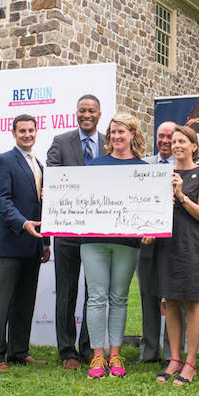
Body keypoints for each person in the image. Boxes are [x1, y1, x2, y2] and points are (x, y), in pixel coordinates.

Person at [82, 112, 147, 379]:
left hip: (127, 242)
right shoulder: (95, 166)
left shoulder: (145, 170)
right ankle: (98, 356)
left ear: (133, 134)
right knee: (96, 298)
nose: (117, 137)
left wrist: (150, 228)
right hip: (94, 241)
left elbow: (149, 207)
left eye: (122, 132)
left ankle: (116, 354)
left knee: (119, 298)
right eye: (113, 133)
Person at [0, 114, 51, 372]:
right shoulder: (4, 161)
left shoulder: (40, 165)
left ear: (36, 132)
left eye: (31, 131)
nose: (27, 135)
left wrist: (45, 242)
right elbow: (2, 200)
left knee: (25, 300)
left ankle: (19, 350)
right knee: (2, 301)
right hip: (10, 242)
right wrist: (23, 223)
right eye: (22, 131)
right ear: (13, 133)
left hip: (33, 245)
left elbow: (42, 206)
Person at [46, 94, 106, 369]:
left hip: (98, 231)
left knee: (94, 292)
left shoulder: (109, 143)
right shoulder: (61, 142)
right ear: (76, 113)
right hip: (68, 230)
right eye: (82, 110)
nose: (87, 115)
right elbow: (54, 178)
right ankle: (67, 351)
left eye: (91, 111)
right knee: (66, 292)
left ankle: (88, 347)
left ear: (99, 113)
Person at [154, 125, 199, 386]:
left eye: (182, 141)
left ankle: (191, 362)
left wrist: (180, 196)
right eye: (173, 141)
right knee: (171, 301)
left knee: (191, 301)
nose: (176, 145)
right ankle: (174, 359)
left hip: (190, 244)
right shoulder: (161, 173)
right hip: (166, 244)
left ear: (193, 146)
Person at [136, 120, 176, 364]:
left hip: (174, 243)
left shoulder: (186, 166)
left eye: (170, 136)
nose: (165, 141)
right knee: (148, 296)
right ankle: (149, 352)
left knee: (173, 298)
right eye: (161, 136)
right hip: (147, 243)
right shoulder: (144, 166)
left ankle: (173, 354)